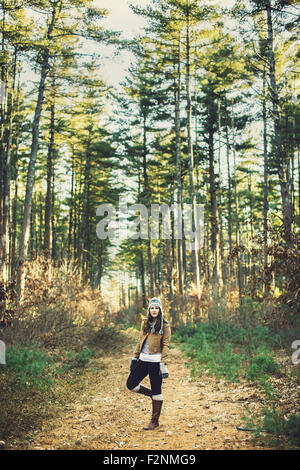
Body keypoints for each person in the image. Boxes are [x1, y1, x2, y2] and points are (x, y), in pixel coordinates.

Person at [126, 297, 171, 430]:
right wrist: (135, 357)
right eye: (152, 308)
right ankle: (153, 396)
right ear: (149, 310)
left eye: (156, 308)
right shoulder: (145, 323)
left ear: (160, 310)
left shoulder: (165, 325)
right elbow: (140, 341)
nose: (154, 310)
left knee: (158, 390)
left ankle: (154, 421)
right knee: (131, 384)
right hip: (143, 360)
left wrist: (163, 363)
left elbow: (166, 345)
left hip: (156, 363)